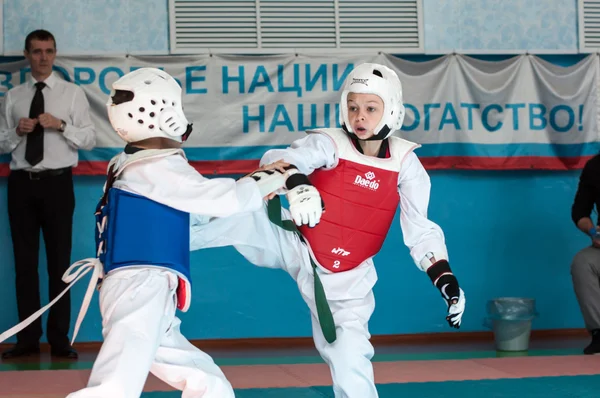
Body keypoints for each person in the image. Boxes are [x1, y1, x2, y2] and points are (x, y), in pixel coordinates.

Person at [190, 63, 467, 397]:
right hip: (293, 240)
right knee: (240, 204)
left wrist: (446, 279)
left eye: (370, 108)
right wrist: (297, 184)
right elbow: (281, 160)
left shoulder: (406, 163)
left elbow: (421, 229)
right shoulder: (329, 144)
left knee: (352, 360)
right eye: (353, 107)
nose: (359, 116)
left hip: (347, 277)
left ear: (391, 109)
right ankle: (153, 239)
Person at [57, 67, 293, 398]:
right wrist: (271, 179)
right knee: (114, 388)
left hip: (145, 289)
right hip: (140, 288)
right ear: (163, 113)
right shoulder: (155, 167)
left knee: (209, 384)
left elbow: (192, 213)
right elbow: (222, 200)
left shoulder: (131, 163)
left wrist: (260, 182)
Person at [0, 29, 96, 359]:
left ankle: (59, 340)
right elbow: (1, 143)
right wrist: (16, 133)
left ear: (55, 54)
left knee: (60, 264)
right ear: (27, 55)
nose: (43, 57)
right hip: (21, 185)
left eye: (49, 51)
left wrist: (61, 125)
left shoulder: (72, 94)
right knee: (24, 266)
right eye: (37, 51)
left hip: (58, 185)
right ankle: (27, 340)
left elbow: (89, 139)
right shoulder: (13, 96)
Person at [570, 154, 600, 355]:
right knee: (582, 262)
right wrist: (594, 233)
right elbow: (580, 211)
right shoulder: (595, 167)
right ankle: (599, 332)